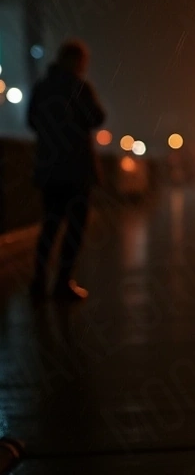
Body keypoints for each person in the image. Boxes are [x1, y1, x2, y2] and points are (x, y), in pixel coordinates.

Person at [28, 39, 106, 302]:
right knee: (74, 228)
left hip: (49, 168)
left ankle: (38, 281)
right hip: (75, 170)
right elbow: (97, 117)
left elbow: (31, 120)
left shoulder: (42, 87)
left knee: (49, 225)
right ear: (76, 61)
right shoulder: (79, 87)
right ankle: (63, 282)